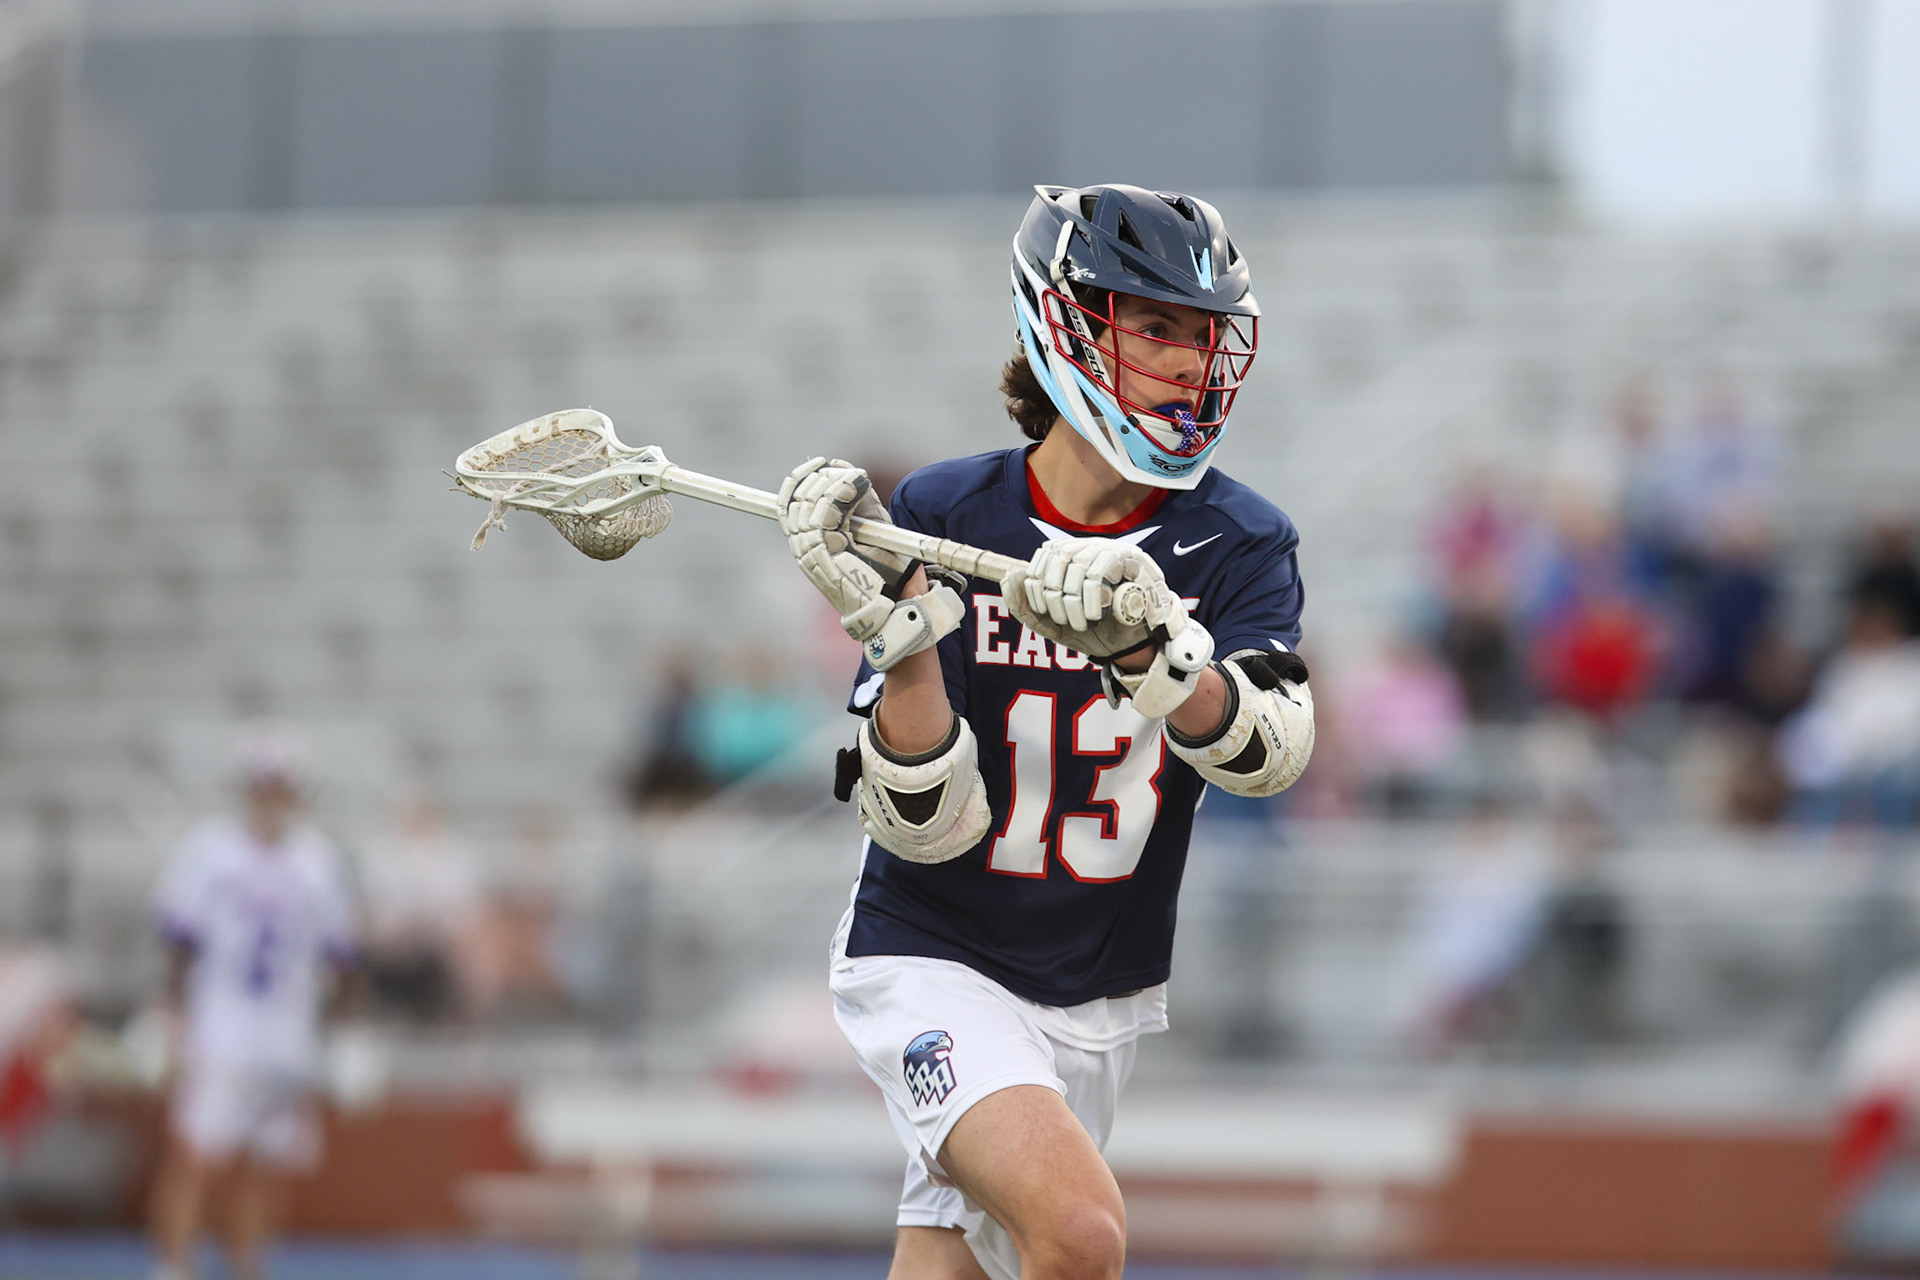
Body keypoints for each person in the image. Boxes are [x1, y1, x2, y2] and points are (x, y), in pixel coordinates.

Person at [776, 184, 1313, 1280]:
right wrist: (902, 626)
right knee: (1079, 1233)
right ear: (1066, 320)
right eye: (1157, 323)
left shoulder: (1240, 540)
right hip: (936, 951)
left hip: (1100, 986)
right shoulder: (948, 509)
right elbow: (925, 822)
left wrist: (1151, 655)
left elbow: (1270, 750)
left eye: (1204, 331)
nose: (1188, 356)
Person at [146, 732, 358, 1280]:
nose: (271, 796)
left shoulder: (317, 860)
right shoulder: (208, 851)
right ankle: (175, 1264)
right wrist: (172, 1010)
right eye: (264, 785)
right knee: (198, 1150)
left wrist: (346, 1033)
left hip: (286, 1027)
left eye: (280, 786)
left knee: (268, 1160)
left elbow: (341, 956)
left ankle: (248, 1266)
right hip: (223, 1020)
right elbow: (180, 941)